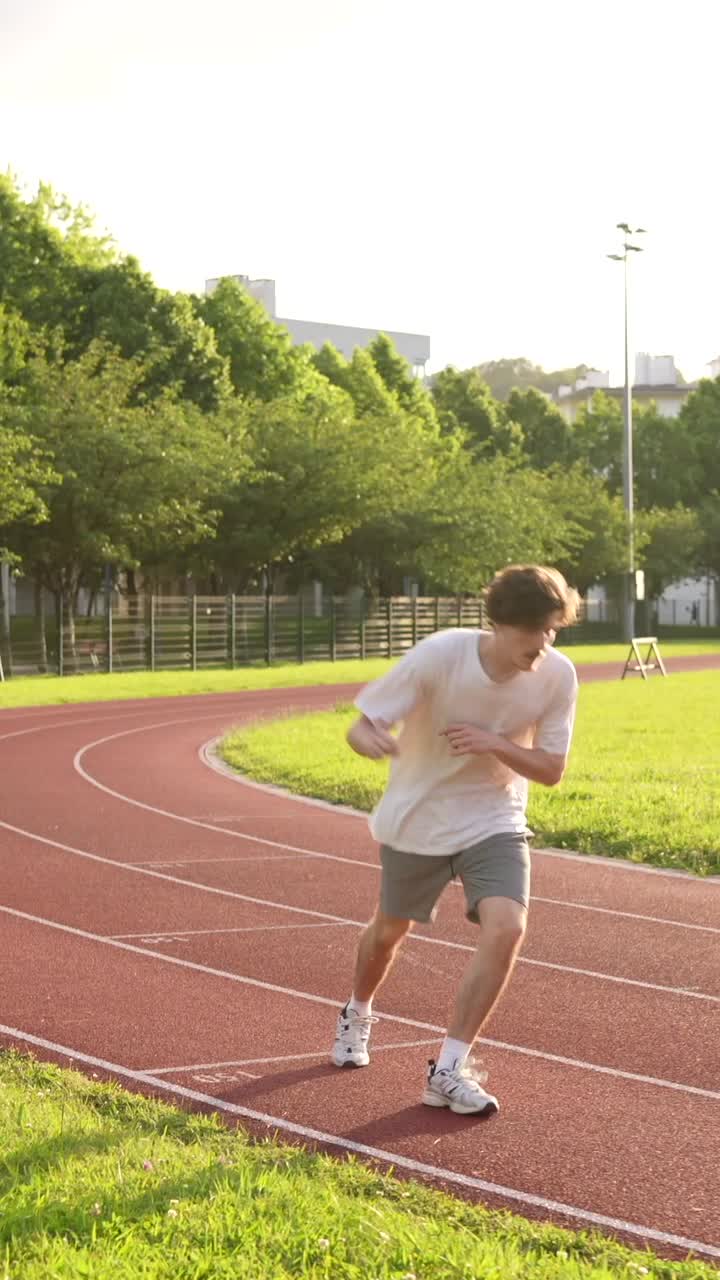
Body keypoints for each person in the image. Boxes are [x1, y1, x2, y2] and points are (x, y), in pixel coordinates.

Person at [331, 565, 580, 1115]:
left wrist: (495, 744)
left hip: (495, 818)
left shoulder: (558, 676)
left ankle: (448, 1067)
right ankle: (357, 1010)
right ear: (499, 623)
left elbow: (551, 769)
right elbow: (361, 724)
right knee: (388, 934)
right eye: (531, 630)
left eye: (552, 630)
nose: (542, 644)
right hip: (419, 819)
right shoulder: (442, 655)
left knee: (508, 926)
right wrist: (368, 738)